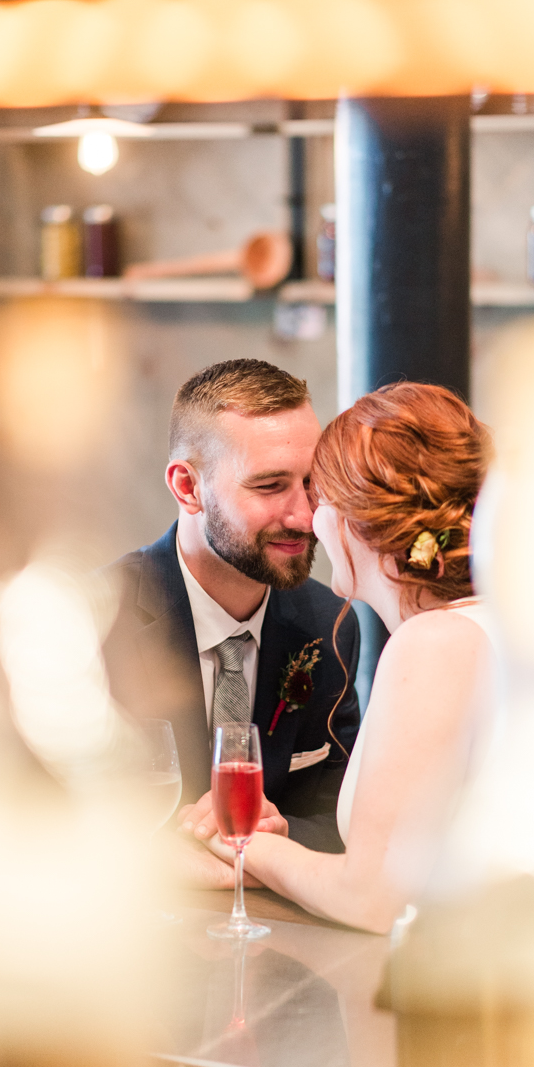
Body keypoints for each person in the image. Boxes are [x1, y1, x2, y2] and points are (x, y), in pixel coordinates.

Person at [180, 381, 496, 931]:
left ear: (359, 517)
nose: (309, 518)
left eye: (318, 494)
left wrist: (238, 840)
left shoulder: (432, 643)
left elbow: (373, 898)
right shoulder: (484, 623)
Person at [102, 359, 360, 889]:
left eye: (310, 483)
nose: (303, 516)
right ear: (187, 487)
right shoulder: (94, 624)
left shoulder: (328, 624)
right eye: (269, 486)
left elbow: (341, 803)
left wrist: (278, 832)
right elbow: (41, 818)